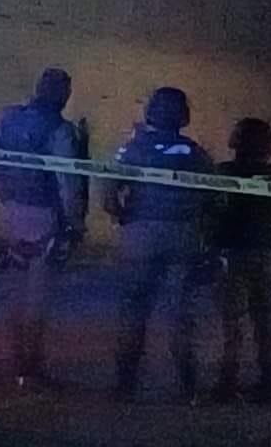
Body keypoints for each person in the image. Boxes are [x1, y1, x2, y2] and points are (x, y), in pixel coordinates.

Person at [102, 87, 215, 404]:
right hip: (183, 236)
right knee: (181, 312)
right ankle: (190, 389)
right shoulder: (195, 153)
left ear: (150, 111)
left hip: (140, 233)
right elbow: (213, 197)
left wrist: (124, 216)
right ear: (183, 115)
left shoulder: (132, 149)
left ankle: (124, 386)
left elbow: (110, 192)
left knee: (134, 309)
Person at [0, 68, 89, 390]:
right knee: (38, 297)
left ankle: (19, 366)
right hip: (46, 217)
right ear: (62, 94)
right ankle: (33, 369)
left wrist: (8, 202)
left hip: (13, 213)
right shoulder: (61, 130)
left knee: (16, 294)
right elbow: (67, 183)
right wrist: (74, 223)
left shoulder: (9, 118)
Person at [211, 118, 271, 405]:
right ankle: (268, 383)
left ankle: (228, 382)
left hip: (234, 253)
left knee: (233, 323)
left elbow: (214, 214)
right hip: (269, 252)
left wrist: (210, 248)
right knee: (265, 322)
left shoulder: (224, 172)